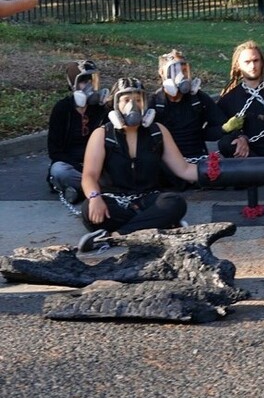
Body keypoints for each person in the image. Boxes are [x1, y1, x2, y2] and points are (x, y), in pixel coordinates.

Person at [76, 78, 199, 252]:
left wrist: (215, 171)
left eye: (138, 100)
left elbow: (185, 169)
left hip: (149, 199)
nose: (133, 105)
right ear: (116, 104)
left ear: (145, 103)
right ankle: (157, 226)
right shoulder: (102, 134)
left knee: (175, 203)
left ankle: (116, 237)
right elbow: (89, 176)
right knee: (89, 209)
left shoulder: (157, 131)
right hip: (115, 201)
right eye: (126, 100)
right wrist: (95, 197)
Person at [47, 59, 109, 205]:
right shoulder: (62, 109)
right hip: (72, 165)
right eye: (83, 81)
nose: (89, 86)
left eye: (91, 81)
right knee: (58, 171)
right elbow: (54, 152)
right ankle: (96, 189)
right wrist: (81, 167)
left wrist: (110, 109)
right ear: (73, 85)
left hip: (97, 164)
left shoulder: (101, 110)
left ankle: (79, 191)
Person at [151, 49, 227, 163]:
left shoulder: (198, 98)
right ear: (162, 73)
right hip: (166, 163)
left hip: (198, 158)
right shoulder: (155, 102)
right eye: (174, 71)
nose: (181, 76)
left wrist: (207, 133)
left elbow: (219, 123)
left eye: (184, 70)